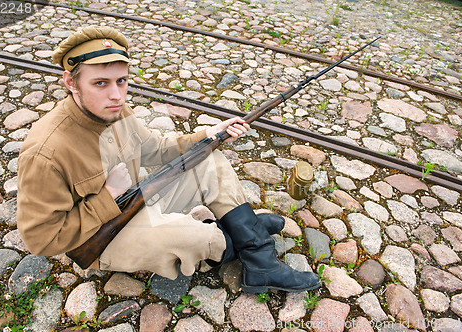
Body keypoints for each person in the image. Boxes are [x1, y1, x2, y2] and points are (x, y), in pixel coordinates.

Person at [17, 25, 321, 293]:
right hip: (101, 239)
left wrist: (210, 133)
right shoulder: (46, 152)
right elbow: (41, 239)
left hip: (140, 199)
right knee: (192, 236)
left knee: (209, 162)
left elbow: (155, 148)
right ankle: (239, 236)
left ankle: (258, 259)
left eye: (121, 81)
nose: (117, 96)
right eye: (101, 83)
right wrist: (107, 196)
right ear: (71, 83)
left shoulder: (115, 110)